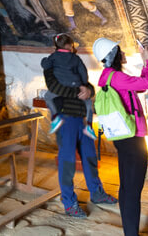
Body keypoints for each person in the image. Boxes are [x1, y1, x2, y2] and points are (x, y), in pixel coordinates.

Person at [43, 35, 116, 218]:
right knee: (67, 162)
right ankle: (69, 203)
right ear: (69, 45)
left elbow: (86, 83)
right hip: (65, 118)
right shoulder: (49, 65)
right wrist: (79, 92)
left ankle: (97, 193)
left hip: (83, 118)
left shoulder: (65, 61)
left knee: (89, 157)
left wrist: (89, 90)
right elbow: (54, 87)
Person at [93, 37, 148, 236]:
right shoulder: (117, 77)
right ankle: (131, 233)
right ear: (113, 55)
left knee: (128, 184)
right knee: (132, 188)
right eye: (120, 51)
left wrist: (144, 64)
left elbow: (140, 86)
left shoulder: (109, 76)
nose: (123, 54)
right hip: (132, 137)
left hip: (123, 136)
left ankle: (131, 231)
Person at [42, 34, 96, 136]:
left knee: (47, 96)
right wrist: (83, 85)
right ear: (70, 45)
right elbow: (83, 73)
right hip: (77, 86)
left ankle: (55, 118)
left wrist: (44, 60)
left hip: (62, 89)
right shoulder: (75, 58)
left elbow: (46, 65)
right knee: (89, 103)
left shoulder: (53, 57)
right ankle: (89, 126)